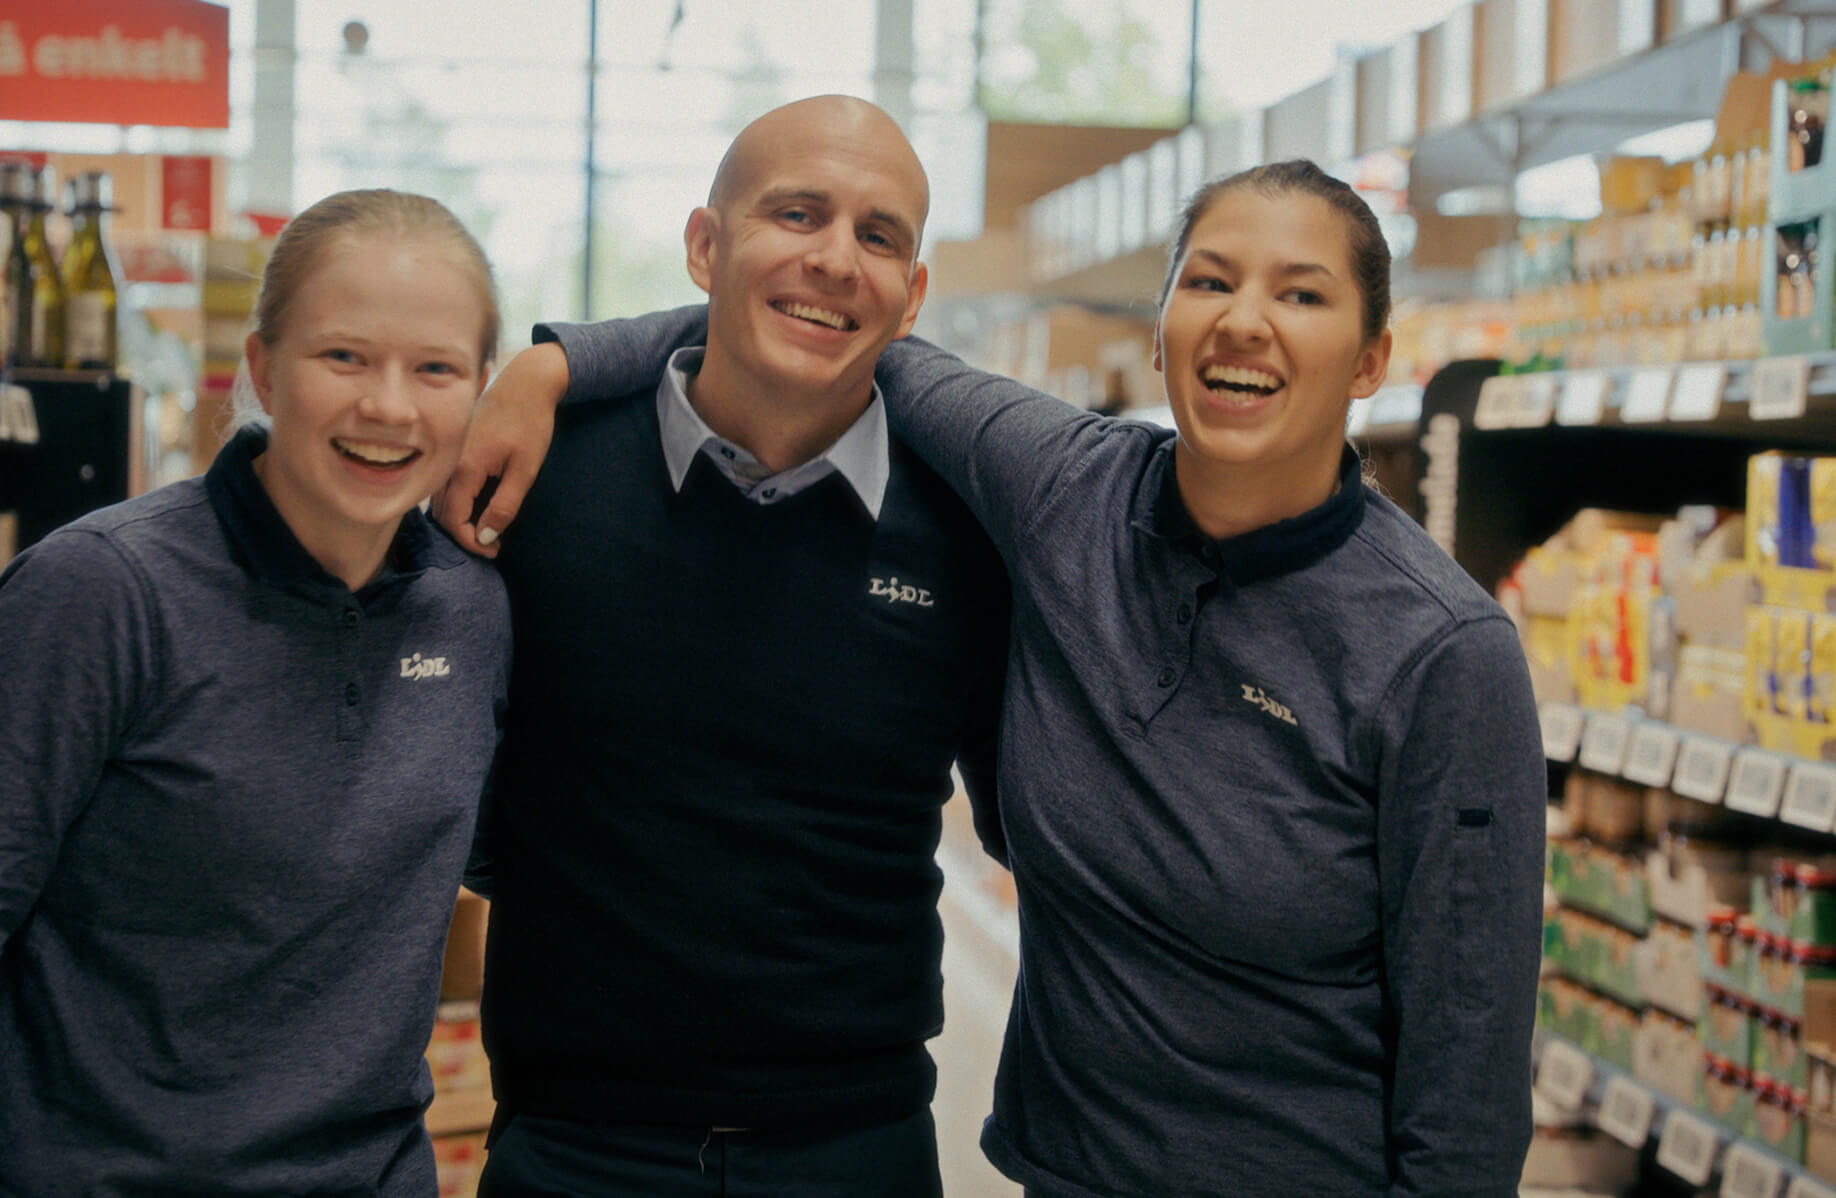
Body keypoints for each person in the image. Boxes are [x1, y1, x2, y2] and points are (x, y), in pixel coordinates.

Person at [457, 159, 1548, 1196]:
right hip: (1062, 1173)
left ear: (1370, 361)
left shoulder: (1440, 652)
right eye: (1210, 281)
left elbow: (1469, 1071)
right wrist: (556, 364)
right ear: (1160, 328)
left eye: (1301, 295)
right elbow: (820, 320)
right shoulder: (1063, 490)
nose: (1244, 320)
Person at [436, 95, 1008, 1197]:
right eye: (797, 213)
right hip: (574, 1145)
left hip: (857, 1148)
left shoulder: (967, 529)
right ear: (704, 245)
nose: (834, 259)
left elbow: (1023, 812)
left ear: (913, 295)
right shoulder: (540, 483)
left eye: (878, 234)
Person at [0, 188, 510, 1197]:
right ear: (264, 369)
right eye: (344, 356)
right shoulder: (104, 592)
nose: (390, 406)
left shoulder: (473, 612)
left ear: (481, 389)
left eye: (436, 369)